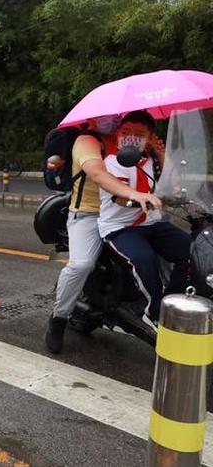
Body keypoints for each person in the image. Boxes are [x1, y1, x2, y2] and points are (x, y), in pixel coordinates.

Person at [45, 115, 163, 354]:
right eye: (105, 117)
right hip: (88, 215)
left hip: (127, 213)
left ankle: (160, 309)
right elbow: (98, 174)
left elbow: (160, 176)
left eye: (116, 118)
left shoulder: (131, 140)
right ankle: (58, 318)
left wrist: (158, 151)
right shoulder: (87, 141)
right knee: (81, 265)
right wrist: (135, 194)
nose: (111, 120)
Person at [99, 110, 190, 325]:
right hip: (120, 227)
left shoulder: (150, 161)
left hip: (150, 222)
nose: (130, 137)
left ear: (149, 137)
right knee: (144, 259)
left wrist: (159, 153)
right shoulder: (113, 161)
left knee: (192, 250)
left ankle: (172, 300)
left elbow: (173, 184)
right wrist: (141, 198)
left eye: (139, 134)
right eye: (125, 131)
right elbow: (119, 197)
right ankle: (153, 312)